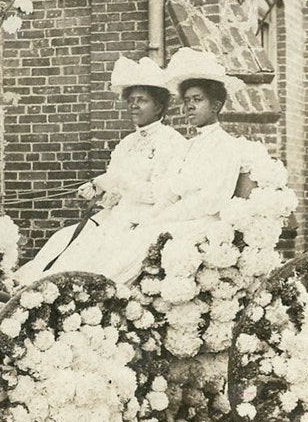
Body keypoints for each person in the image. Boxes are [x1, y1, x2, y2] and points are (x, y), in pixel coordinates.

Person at [38, 47, 247, 286]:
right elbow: (169, 192)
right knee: (87, 240)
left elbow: (210, 201)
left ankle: (97, 290)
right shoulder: (192, 145)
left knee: (132, 242)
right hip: (171, 215)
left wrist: (159, 217)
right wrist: (154, 212)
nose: (189, 106)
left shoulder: (224, 146)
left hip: (200, 221)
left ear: (216, 106)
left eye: (197, 100)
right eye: (187, 101)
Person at [15, 55, 187, 284]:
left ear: (159, 107)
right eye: (131, 99)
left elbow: (160, 194)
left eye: (142, 100)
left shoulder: (171, 142)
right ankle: (28, 289)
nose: (134, 105)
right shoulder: (127, 142)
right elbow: (113, 180)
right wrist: (96, 188)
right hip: (115, 216)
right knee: (62, 238)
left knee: (90, 253)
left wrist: (120, 185)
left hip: (144, 221)